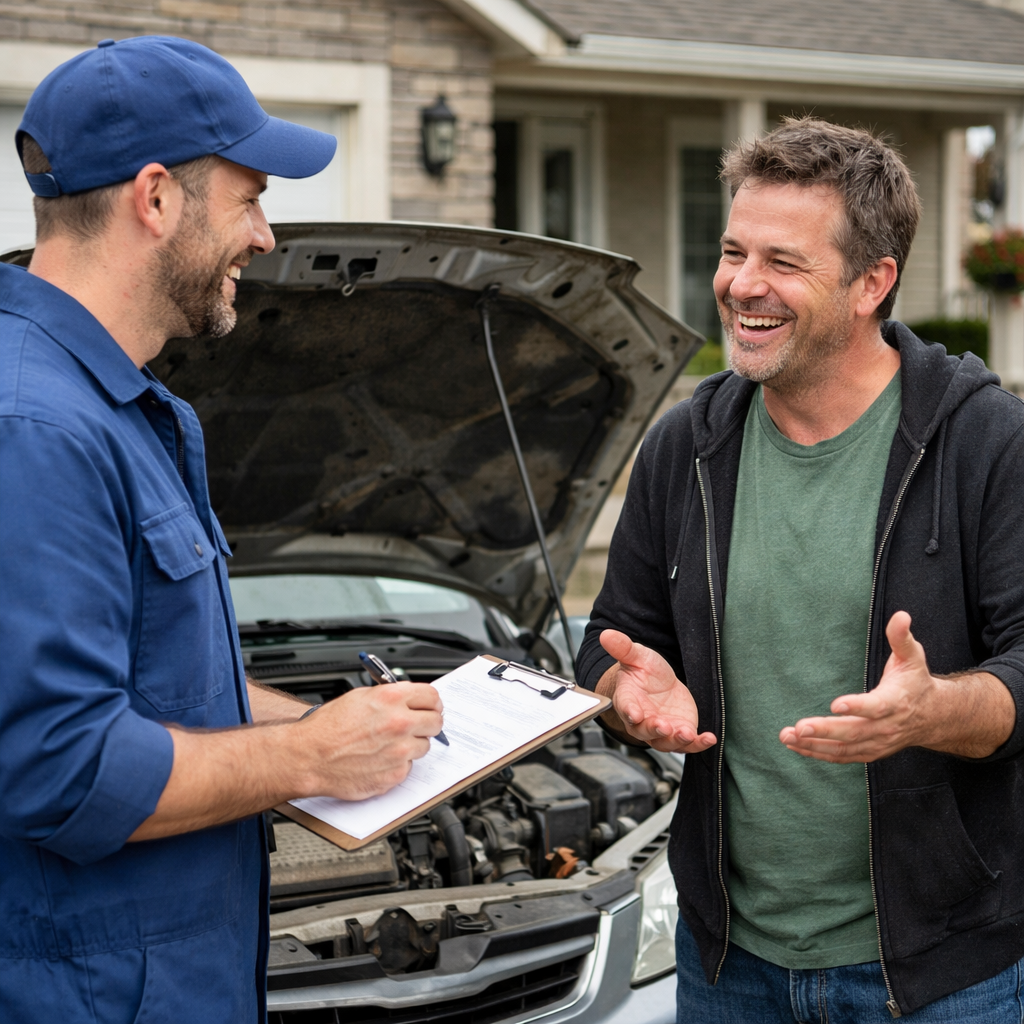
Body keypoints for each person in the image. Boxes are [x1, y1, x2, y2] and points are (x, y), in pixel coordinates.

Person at [0, 36, 443, 1022]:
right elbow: (59, 768)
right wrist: (307, 760)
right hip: (87, 994)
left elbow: (155, 671)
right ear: (154, 198)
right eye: (248, 198)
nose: (266, 237)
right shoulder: (32, 427)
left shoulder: (122, 408)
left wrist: (345, 729)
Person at [577, 117, 1024, 1022]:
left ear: (873, 283)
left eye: (783, 261)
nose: (742, 285)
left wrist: (937, 710)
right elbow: (614, 638)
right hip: (726, 963)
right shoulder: (686, 448)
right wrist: (628, 694)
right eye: (733, 250)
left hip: (941, 971)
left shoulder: (987, 441)